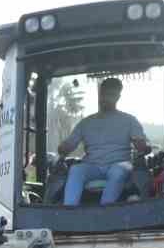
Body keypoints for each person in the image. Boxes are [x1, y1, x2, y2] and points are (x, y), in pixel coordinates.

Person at [58, 77, 150, 205]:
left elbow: (142, 145)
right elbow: (68, 145)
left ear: (118, 97)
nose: (106, 98)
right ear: (100, 95)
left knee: (117, 171)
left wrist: (142, 146)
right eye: (104, 94)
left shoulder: (129, 120)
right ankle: (68, 210)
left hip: (120, 163)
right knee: (76, 170)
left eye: (111, 94)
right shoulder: (86, 122)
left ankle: (105, 209)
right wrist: (64, 147)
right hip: (93, 165)